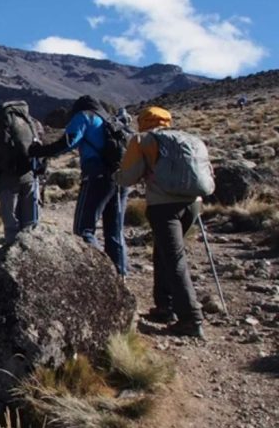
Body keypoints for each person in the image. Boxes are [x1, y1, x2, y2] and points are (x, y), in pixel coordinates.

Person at [118, 107, 205, 338]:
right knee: (163, 253)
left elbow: (129, 176)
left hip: (163, 206)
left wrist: (113, 177)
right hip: (194, 203)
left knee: (173, 258)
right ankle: (164, 306)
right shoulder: (187, 138)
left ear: (143, 121)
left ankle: (190, 317)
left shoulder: (143, 139)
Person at [29, 96, 127, 276]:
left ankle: (100, 274)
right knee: (114, 231)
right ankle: (121, 275)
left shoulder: (84, 116)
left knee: (84, 229)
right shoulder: (109, 120)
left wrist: (40, 151)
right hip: (121, 176)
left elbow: (68, 142)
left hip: (96, 175)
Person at [0, 101, 43, 243]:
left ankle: (14, 258)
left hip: (6, 180)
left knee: (12, 227)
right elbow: (41, 151)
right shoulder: (31, 124)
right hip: (30, 176)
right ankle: (32, 258)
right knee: (31, 224)